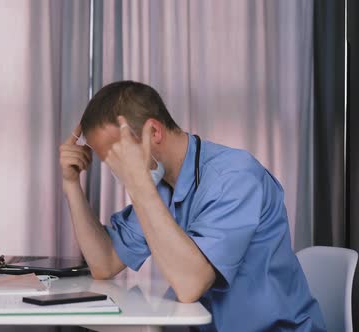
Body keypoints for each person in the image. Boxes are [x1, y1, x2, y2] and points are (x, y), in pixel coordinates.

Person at [58, 81, 326, 331]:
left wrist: (139, 185)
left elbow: (190, 284)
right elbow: (104, 264)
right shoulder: (160, 186)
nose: (117, 169)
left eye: (118, 155)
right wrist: (72, 184)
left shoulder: (234, 178)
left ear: (154, 132)